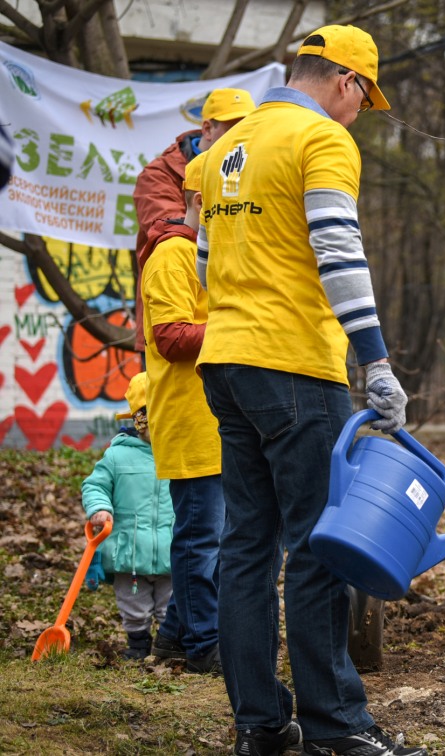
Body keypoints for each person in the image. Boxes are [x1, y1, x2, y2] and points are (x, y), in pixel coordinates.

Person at [196, 24, 422, 756]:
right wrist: (377, 360)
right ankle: (337, 727)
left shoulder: (225, 147)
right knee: (320, 545)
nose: (359, 112)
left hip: (225, 362)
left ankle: (259, 724)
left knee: (246, 551)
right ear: (346, 82)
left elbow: (204, 263)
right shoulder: (321, 139)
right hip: (294, 365)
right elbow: (336, 248)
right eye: (364, 97)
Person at [140, 152, 225, 675]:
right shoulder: (173, 255)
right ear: (198, 201)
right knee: (201, 540)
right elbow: (171, 338)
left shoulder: (213, 254)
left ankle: (173, 636)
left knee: (207, 536)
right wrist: (240, 329)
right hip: (188, 417)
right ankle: (205, 645)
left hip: (216, 417)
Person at [132, 88, 255, 354]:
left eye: (246, 131)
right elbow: (171, 227)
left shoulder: (246, 171)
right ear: (208, 128)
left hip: (221, 322)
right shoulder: (158, 174)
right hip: (178, 318)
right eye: (232, 129)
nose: (240, 140)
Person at [80, 372, 174, 660]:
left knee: (170, 605)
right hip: (129, 551)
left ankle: (167, 643)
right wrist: (99, 508)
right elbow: (95, 484)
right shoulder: (117, 456)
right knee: (133, 603)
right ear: (139, 420)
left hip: (171, 548)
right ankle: (138, 643)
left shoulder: (178, 455)